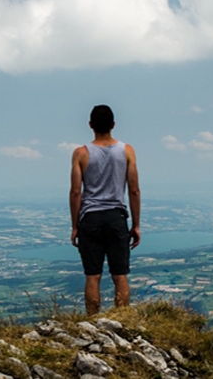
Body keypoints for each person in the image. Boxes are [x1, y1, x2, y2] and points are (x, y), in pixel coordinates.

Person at [69, 105, 140, 315]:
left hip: (90, 218)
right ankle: (122, 320)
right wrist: (135, 225)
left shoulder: (80, 153)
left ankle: (93, 322)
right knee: (120, 274)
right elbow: (134, 190)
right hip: (116, 217)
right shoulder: (127, 151)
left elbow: (75, 192)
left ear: (90, 125)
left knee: (93, 275)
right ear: (113, 125)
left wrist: (75, 225)